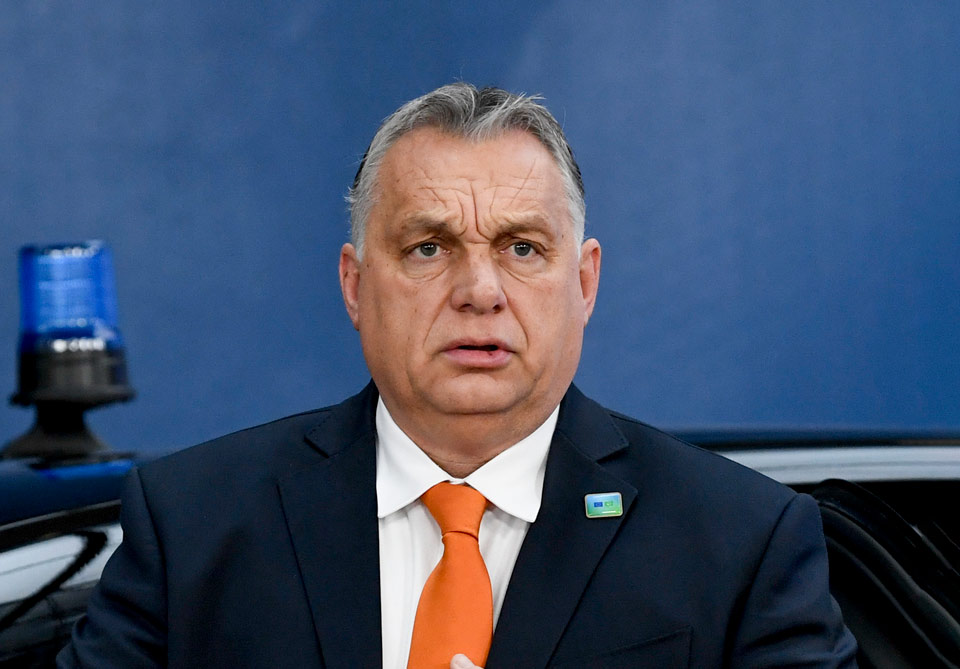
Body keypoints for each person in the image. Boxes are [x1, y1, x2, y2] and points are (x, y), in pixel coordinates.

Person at [58, 83, 857, 668]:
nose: (479, 290)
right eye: (429, 247)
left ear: (584, 283)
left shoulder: (740, 542)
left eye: (522, 247)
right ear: (355, 286)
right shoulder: (194, 526)